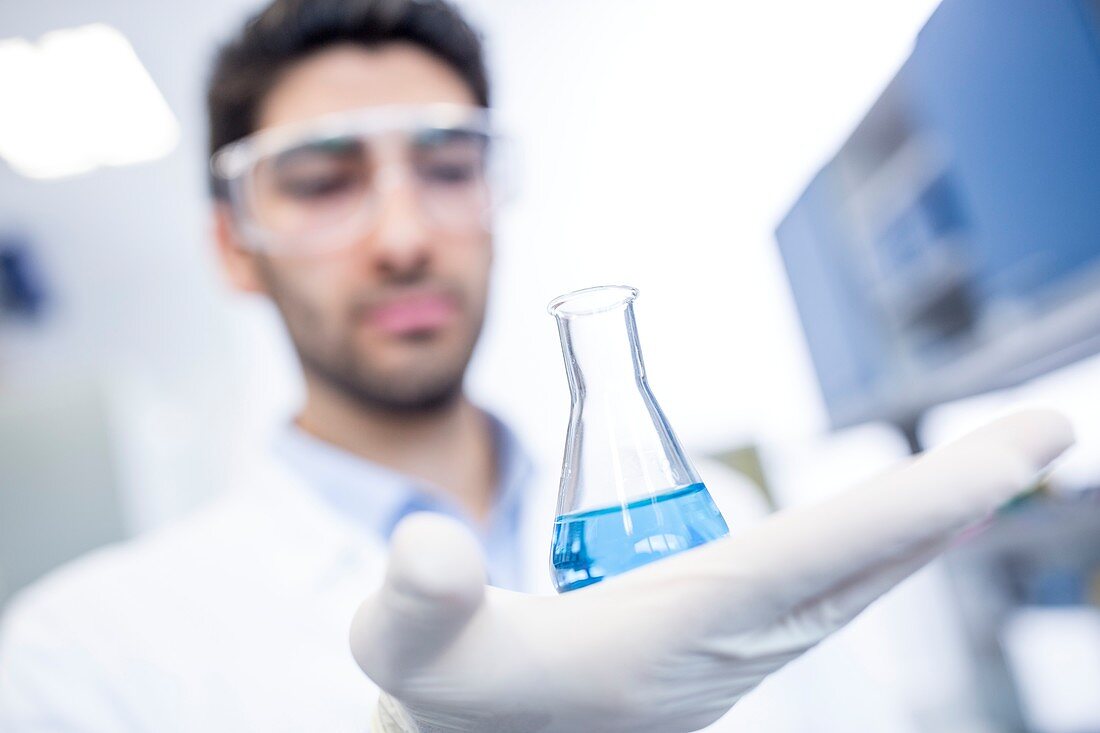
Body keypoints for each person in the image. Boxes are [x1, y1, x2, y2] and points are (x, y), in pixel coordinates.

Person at [0, 1, 1075, 731]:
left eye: (445, 164)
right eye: (323, 180)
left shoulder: (722, 519)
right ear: (235, 246)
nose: (403, 234)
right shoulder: (77, 656)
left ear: (492, 193)